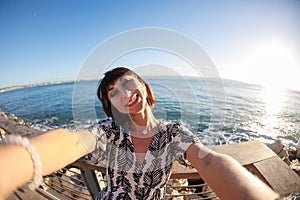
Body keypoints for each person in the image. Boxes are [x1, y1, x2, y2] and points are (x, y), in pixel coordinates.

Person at [0, 67, 279, 200]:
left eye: (127, 82)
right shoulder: (109, 132)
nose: (124, 92)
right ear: (112, 108)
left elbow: (207, 160)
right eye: (114, 93)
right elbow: (73, 141)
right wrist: (15, 163)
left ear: (143, 85)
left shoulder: (173, 133)